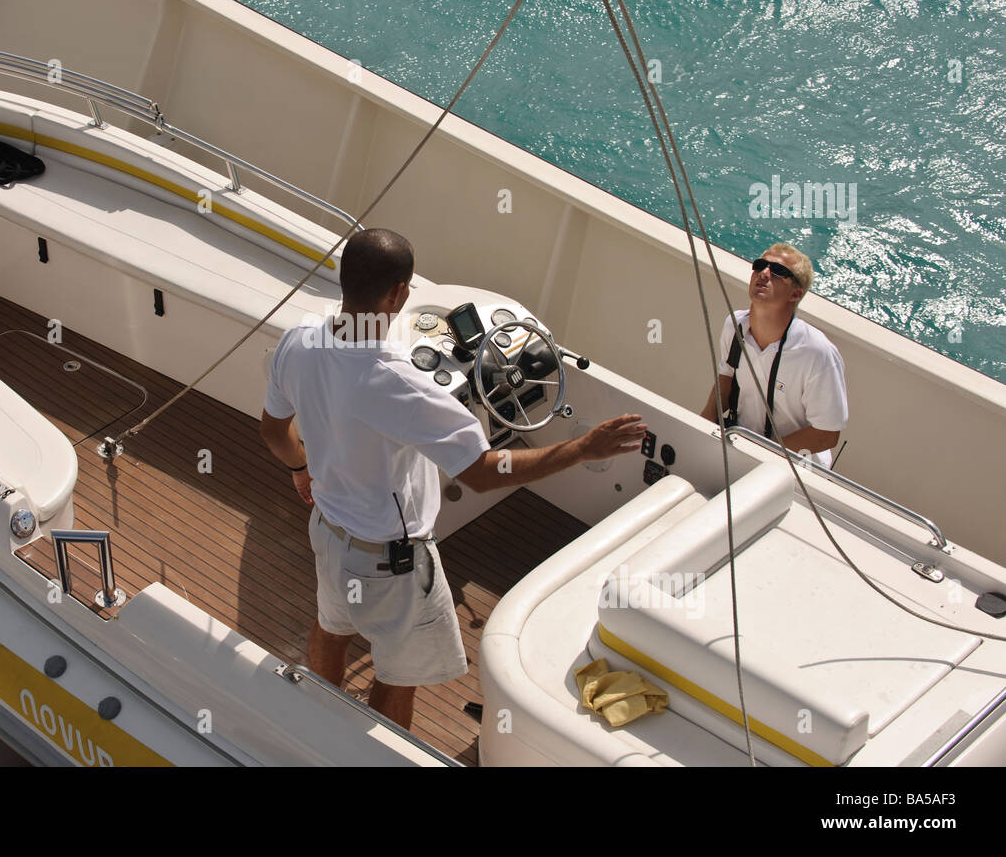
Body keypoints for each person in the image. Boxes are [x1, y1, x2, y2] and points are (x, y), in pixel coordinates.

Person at [260, 228, 647, 729]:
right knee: (398, 672)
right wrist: (580, 449)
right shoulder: (403, 384)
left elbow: (273, 430)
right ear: (399, 293)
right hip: (389, 565)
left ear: (344, 279)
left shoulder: (300, 340)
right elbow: (484, 475)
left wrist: (300, 470)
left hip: (328, 534)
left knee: (332, 626)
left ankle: (319, 721)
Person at [700, 243, 848, 467]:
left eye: (778, 272)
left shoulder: (817, 353)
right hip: (739, 450)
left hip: (795, 467)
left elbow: (826, 433)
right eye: (760, 265)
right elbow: (726, 379)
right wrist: (699, 430)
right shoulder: (734, 326)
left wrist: (760, 453)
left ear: (795, 294)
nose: (764, 273)